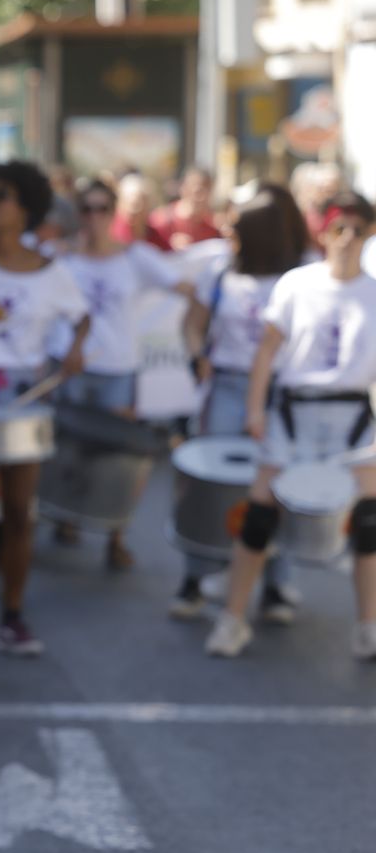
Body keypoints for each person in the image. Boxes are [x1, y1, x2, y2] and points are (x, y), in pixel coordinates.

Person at [206, 192, 376, 659]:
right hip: (294, 412)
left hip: (352, 417)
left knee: (368, 523)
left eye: (357, 230)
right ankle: (233, 619)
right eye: (339, 228)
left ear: (370, 234)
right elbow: (267, 350)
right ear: (324, 230)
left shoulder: (373, 293)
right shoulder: (297, 284)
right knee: (259, 515)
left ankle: (368, 625)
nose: (347, 239)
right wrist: (255, 410)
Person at [0, 163, 90, 655]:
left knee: (17, 511)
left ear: (26, 209)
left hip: (24, 395)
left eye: (0, 196)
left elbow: (82, 317)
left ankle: (12, 613)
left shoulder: (52, 272)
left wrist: (74, 351)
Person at [171, 191, 308, 621]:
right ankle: (196, 577)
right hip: (227, 388)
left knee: (279, 487)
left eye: (236, 226)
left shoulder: (299, 277)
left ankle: (276, 583)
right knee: (211, 484)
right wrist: (198, 354)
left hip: (280, 394)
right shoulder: (219, 271)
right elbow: (192, 325)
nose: (227, 232)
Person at [59, 178, 192, 568]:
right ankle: (67, 517)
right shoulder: (65, 259)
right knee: (70, 448)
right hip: (74, 367)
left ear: (112, 211)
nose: (94, 217)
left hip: (118, 368)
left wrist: (194, 335)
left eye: (102, 208)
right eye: (87, 209)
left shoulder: (135, 257)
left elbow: (185, 287)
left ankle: (115, 535)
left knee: (120, 456)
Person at [149, 167, 221, 252]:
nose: (201, 197)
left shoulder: (213, 228)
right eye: (197, 191)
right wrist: (168, 246)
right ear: (183, 189)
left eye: (207, 191)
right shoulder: (159, 221)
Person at [110, 173, 168, 252]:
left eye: (137, 204)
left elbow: (167, 255)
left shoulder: (157, 235)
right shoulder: (112, 234)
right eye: (128, 204)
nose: (132, 210)